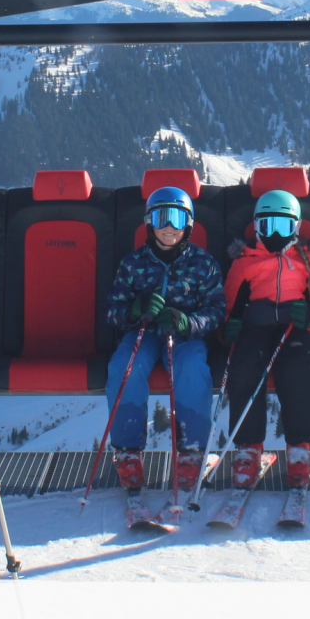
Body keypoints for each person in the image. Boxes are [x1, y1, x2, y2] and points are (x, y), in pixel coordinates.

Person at [101, 186, 227, 491]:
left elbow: (216, 310)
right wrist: (134, 310)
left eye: (177, 219)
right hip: (143, 333)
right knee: (125, 366)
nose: (169, 227)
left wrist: (188, 322)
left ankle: (192, 451)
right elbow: (112, 311)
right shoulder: (133, 264)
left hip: (184, 337)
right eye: (161, 218)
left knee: (192, 369)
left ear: (189, 225)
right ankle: (128, 451)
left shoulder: (203, 263)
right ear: (149, 223)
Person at [220, 190, 310, 490]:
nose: (275, 234)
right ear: (256, 227)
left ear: (296, 227)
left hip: (294, 327)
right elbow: (227, 308)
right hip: (255, 327)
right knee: (245, 366)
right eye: (268, 225)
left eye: (283, 226)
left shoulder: (307, 263)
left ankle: (301, 446)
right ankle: (249, 448)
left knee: (295, 366)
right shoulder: (245, 263)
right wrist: (227, 328)